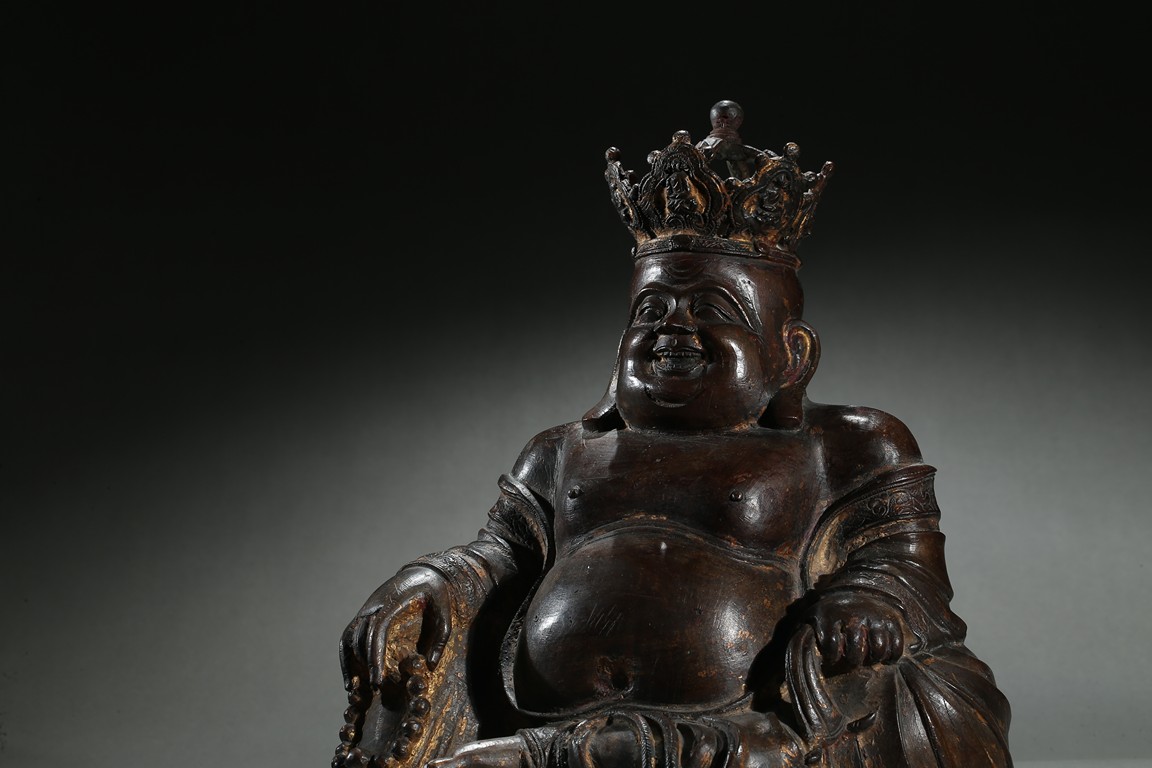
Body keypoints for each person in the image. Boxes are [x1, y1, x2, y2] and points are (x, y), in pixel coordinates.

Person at [334, 103, 1012, 768]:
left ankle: (583, 758)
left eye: (712, 309)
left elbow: (905, 566)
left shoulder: (847, 444)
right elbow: (500, 556)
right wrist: (430, 579)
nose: (673, 327)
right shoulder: (561, 452)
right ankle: (577, 752)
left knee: (905, 691)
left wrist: (866, 601)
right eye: (651, 309)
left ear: (791, 356)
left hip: (750, 724)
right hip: (540, 705)